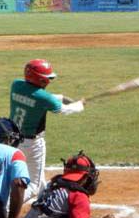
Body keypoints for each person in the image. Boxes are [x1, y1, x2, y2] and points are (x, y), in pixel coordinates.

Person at [9, 59, 85, 202]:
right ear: (40, 79)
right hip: (32, 145)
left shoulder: (16, 85)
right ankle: (6, 207)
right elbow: (64, 110)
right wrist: (80, 104)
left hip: (11, 140)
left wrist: (62, 97)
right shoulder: (43, 98)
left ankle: (40, 208)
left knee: (37, 180)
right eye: (46, 78)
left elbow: (39, 96)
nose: (48, 81)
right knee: (34, 186)